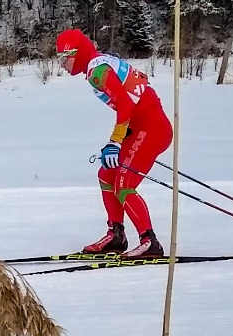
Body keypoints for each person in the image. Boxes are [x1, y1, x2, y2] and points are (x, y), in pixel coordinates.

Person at [54, 28, 172, 259]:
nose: (61, 65)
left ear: (75, 54)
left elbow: (126, 105)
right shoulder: (98, 64)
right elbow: (133, 101)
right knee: (106, 173)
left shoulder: (97, 71)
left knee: (123, 183)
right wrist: (119, 139)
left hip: (151, 129)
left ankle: (150, 242)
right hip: (142, 127)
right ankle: (116, 234)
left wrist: (115, 143)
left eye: (63, 59)